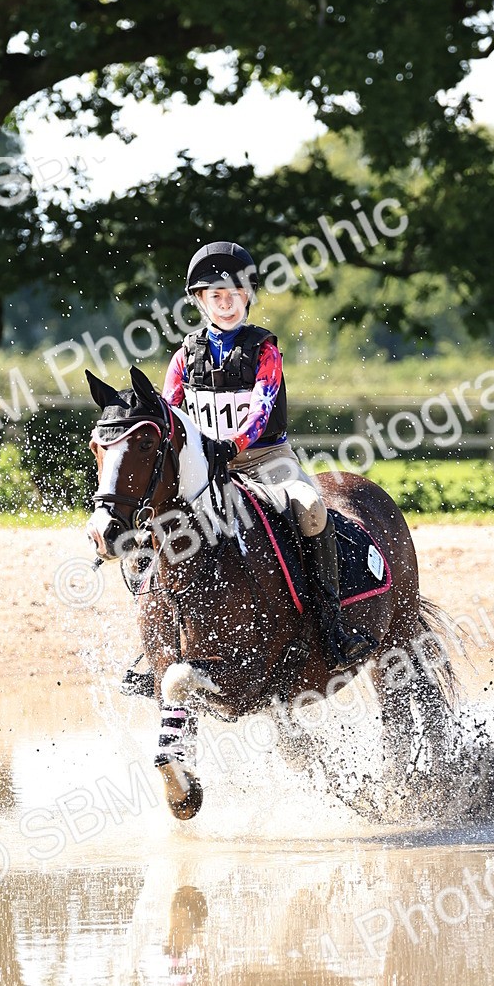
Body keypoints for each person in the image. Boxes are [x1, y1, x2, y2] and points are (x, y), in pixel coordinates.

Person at [162, 239, 375, 672]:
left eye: (234, 295)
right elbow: (171, 412)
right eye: (216, 296)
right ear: (201, 301)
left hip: (266, 460)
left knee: (312, 509)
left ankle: (331, 622)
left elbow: (262, 408)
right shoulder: (185, 355)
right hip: (207, 468)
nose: (226, 304)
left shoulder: (265, 350)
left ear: (248, 297)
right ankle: (160, 641)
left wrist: (233, 445)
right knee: (162, 526)